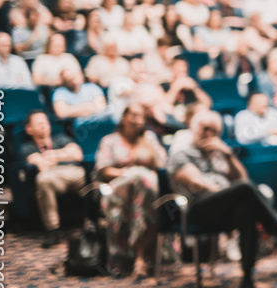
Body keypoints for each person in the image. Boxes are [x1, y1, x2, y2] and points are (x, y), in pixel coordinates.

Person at [167, 111, 277, 288]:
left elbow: (243, 178)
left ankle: (247, 280)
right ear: (193, 129)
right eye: (205, 129)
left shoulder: (218, 154)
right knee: (243, 190)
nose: (209, 134)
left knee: (246, 211)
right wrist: (229, 193)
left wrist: (228, 155)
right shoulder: (182, 152)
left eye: (214, 131)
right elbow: (195, 182)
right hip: (198, 208)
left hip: (226, 208)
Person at [94, 103, 168, 277]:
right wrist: (129, 174)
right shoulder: (109, 140)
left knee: (144, 191)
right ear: (123, 117)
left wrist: (139, 173)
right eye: (133, 115)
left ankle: (138, 257)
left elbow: (161, 163)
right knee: (138, 181)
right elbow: (103, 170)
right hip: (119, 186)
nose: (137, 119)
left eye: (141, 116)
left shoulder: (149, 138)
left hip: (147, 191)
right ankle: (138, 258)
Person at [21, 111, 86, 247]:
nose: (44, 125)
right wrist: (65, 154)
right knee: (43, 179)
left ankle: (93, 221)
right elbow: (39, 163)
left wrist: (53, 155)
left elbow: (78, 154)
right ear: (29, 129)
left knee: (92, 177)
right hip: (53, 177)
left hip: (74, 173)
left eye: (45, 122)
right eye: (39, 123)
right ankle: (53, 230)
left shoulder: (61, 138)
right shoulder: (27, 147)